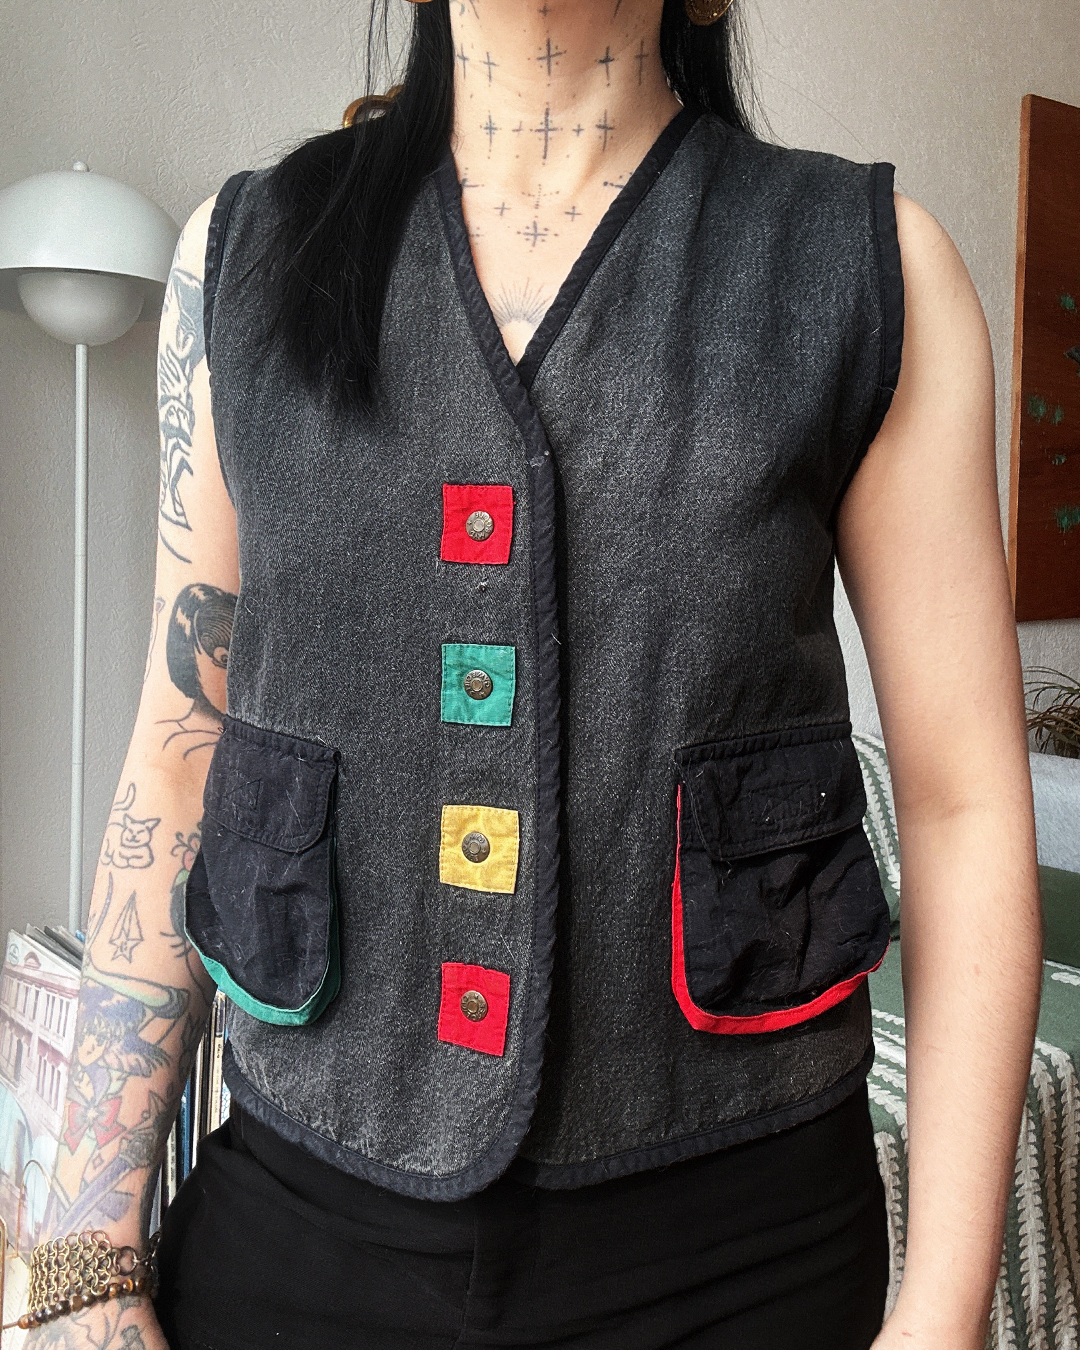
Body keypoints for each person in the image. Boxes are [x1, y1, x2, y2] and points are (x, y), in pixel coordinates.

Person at [24, 1, 1043, 1347]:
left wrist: (945, 1314)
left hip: (745, 1252)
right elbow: (178, 746)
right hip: (300, 1230)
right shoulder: (245, 255)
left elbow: (964, 804)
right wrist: (82, 1256)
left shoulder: (873, 272)